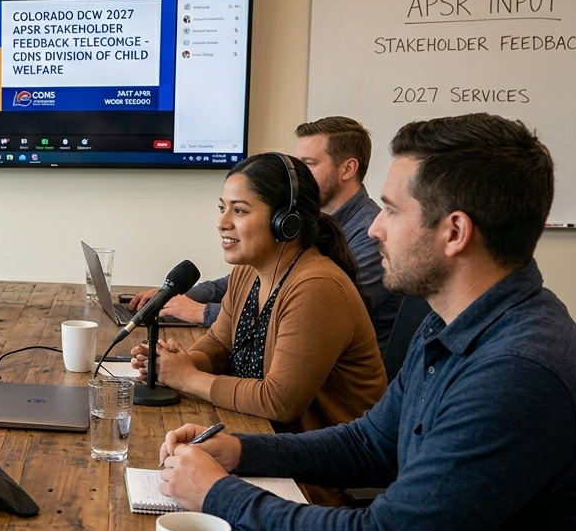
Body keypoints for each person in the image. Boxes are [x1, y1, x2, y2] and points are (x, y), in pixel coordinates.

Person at [156, 114, 576, 531]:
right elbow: (370, 443)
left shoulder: (517, 373)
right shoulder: (454, 323)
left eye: (392, 210)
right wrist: (240, 450)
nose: (374, 228)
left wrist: (217, 494)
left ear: (455, 232)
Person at [130, 152, 386, 432]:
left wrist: (187, 378)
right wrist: (176, 364)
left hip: (326, 452)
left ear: (285, 221)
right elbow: (219, 343)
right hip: (270, 435)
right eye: (222, 208)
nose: (222, 222)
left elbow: (279, 401)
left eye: (239, 211)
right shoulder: (248, 272)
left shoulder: (317, 287)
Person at [132, 116, 402, 354]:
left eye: (309, 164)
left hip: (333, 377)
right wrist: (175, 297)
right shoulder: (302, 221)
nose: (298, 177)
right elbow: (241, 281)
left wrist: (202, 312)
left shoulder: (373, 234)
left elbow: (308, 316)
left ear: (347, 169)